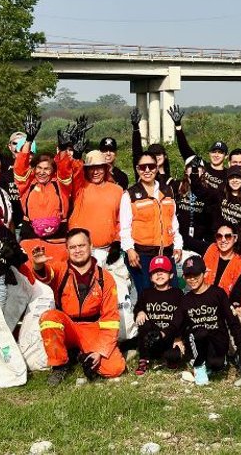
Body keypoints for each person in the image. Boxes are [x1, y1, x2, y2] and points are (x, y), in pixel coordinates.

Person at [34, 228, 128, 383]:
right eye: (72, 247)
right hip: (68, 325)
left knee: (115, 369)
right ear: (67, 250)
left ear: (91, 246)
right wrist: (38, 266)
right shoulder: (60, 269)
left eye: (81, 245)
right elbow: (45, 274)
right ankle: (60, 366)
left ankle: (77, 354)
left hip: (93, 328)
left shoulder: (106, 278)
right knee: (49, 318)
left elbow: (110, 319)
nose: (77, 250)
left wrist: (100, 351)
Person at [169, 255, 241, 385]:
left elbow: (231, 320)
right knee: (200, 332)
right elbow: (176, 322)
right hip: (197, 339)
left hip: (217, 339)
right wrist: (174, 337)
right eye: (188, 276)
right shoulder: (185, 300)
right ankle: (199, 364)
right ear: (183, 277)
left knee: (217, 365)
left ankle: (212, 362)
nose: (192, 279)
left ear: (204, 274)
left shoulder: (218, 294)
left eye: (196, 275)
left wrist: (240, 346)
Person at [119, 152, 184, 293]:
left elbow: (173, 221)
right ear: (137, 169)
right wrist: (129, 250)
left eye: (151, 166)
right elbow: (124, 228)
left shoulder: (167, 190)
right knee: (147, 297)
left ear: (156, 167)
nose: (147, 170)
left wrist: (178, 245)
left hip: (166, 253)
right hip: (142, 255)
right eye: (143, 167)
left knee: (173, 295)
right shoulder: (129, 195)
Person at [68, 150, 125, 266]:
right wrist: (77, 159)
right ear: (85, 170)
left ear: (105, 168)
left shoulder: (117, 190)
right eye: (91, 168)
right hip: (80, 252)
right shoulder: (80, 188)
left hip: (107, 251)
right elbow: (74, 174)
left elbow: (121, 220)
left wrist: (117, 242)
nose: (95, 172)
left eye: (99, 168)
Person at [133, 255, 186, 375]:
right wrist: (140, 312)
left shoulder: (177, 293)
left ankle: (168, 358)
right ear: (151, 278)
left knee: (173, 357)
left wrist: (178, 338)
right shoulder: (146, 293)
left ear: (171, 275)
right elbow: (138, 307)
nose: (159, 274)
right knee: (143, 323)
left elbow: (181, 317)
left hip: (169, 336)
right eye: (155, 272)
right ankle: (144, 359)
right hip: (151, 337)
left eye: (163, 271)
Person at [169, 105, 226, 192]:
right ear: (209, 153)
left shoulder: (228, 174)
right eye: (214, 152)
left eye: (220, 152)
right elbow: (184, 148)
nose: (216, 155)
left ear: (226, 156)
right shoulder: (200, 165)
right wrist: (178, 126)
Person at [200, 222, 241, 316]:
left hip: (228, 305)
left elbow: (236, 294)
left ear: (235, 238)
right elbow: (188, 240)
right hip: (204, 302)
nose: (223, 240)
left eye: (227, 236)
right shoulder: (210, 248)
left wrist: (234, 308)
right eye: (219, 236)